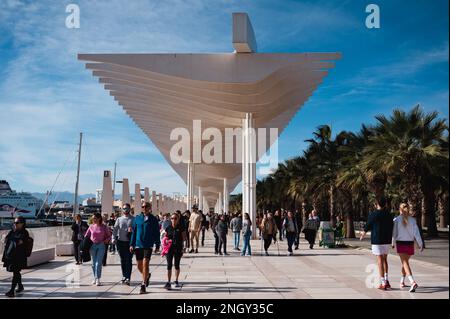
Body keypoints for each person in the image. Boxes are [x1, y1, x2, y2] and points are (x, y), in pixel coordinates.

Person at [360, 196, 394, 290]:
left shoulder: (373, 214)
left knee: (379, 260)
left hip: (377, 239)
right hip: (386, 240)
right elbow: (392, 226)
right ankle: (386, 280)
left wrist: (363, 234)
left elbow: (368, 225)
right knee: (385, 259)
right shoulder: (388, 214)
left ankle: (383, 282)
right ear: (385, 204)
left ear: (377, 204)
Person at [130, 202, 161, 294]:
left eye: (146, 206)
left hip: (148, 244)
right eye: (142, 206)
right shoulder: (137, 218)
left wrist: (158, 244)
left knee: (145, 263)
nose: (144, 208)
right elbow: (134, 232)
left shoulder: (153, 219)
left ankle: (143, 285)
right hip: (138, 245)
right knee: (139, 265)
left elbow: (156, 233)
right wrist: (131, 244)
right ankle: (147, 275)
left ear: (149, 207)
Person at [392, 203, 424, 292]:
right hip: (410, 244)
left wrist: (392, 242)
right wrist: (420, 244)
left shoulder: (396, 220)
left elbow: (394, 233)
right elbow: (417, 233)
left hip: (401, 244)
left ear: (400, 209)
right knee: (404, 263)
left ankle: (412, 282)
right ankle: (402, 281)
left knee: (405, 263)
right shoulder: (413, 220)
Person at [2, 216, 31, 297]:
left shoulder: (24, 233)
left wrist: (14, 238)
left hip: (19, 256)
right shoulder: (12, 231)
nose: (15, 224)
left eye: (17, 223)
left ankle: (12, 291)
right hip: (11, 255)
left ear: (22, 224)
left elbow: (19, 242)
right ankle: (20, 286)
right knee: (16, 272)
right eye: (14, 222)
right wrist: (6, 238)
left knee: (16, 272)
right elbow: (6, 240)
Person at [85, 213, 111, 286]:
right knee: (93, 264)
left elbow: (109, 236)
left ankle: (98, 279)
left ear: (99, 219)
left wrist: (106, 240)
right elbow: (86, 236)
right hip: (92, 246)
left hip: (101, 245)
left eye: (95, 218)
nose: (93, 220)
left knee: (98, 263)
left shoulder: (104, 227)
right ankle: (95, 277)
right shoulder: (91, 227)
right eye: (93, 218)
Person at [112, 203, 134, 285]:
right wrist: (113, 238)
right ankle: (124, 276)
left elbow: (136, 230)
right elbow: (115, 230)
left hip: (129, 243)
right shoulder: (119, 219)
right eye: (124, 208)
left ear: (130, 209)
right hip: (120, 242)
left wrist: (132, 231)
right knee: (122, 260)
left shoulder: (133, 219)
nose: (125, 210)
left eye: (127, 208)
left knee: (129, 260)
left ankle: (128, 277)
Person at [163, 213, 186, 290]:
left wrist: (184, 247)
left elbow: (184, 238)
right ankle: (168, 282)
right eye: (172, 218)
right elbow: (164, 238)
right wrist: (164, 244)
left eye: (175, 218)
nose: (173, 220)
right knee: (169, 265)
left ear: (178, 219)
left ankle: (176, 280)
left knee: (177, 264)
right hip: (169, 248)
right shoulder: (168, 228)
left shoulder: (181, 228)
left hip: (178, 248)